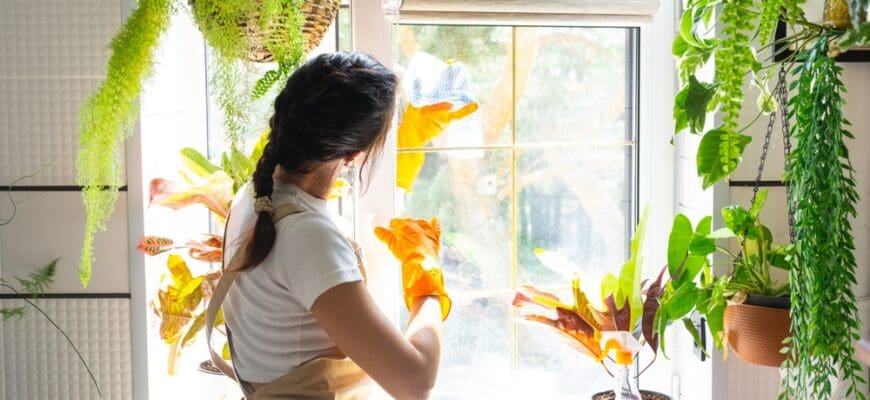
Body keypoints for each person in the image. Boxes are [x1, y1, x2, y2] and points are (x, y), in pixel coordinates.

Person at [205, 52, 452, 400]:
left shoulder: (254, 199)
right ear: (352, 155)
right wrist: (426, 279)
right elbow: (415, 383)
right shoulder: (306, 235)